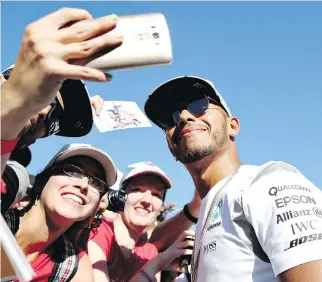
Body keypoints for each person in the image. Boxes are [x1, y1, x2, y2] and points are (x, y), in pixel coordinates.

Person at [144, 76, 322, 282]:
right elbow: (151, 242)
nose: (183, 117)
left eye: (200, 106)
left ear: (233, 126)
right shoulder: (207, 218)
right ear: (171, 148)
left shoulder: (267, 182)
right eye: (171, 118)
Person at [1, 7, 123, 174]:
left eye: (54, 120)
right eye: (40, 91)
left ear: (31, 142)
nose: (43, 110)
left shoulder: (11, 180)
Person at [2, 143, 119, 282]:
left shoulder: (75, 267)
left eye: (96, 183)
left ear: (94, 209)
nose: (83, 185)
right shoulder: (3, 222)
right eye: (72, 171)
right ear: (42, 182)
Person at [88, 161, 173, 282]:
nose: (147, 201)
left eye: (156, 195)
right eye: (138, 189)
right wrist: (155, 265)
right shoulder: (99, 229)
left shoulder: (149, 252)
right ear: (120, 196)